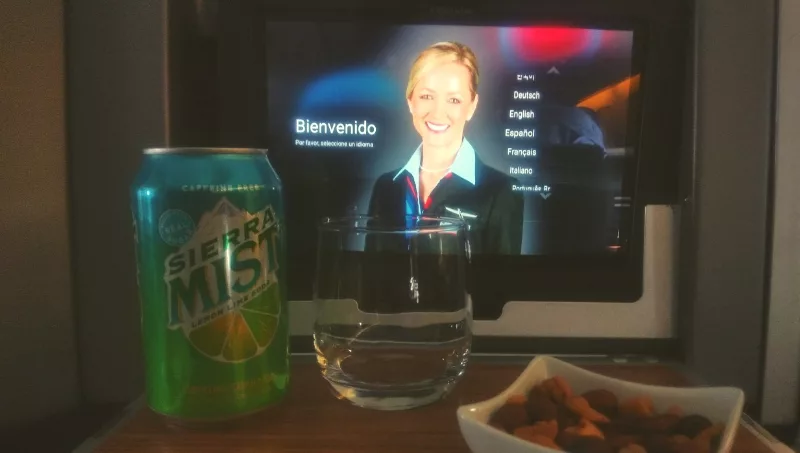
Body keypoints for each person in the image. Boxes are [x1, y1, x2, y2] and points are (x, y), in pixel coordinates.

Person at [367, 41, 523, 255]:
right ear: (410, 101)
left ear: (472, 106)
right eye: (426, 96)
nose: (438, 112)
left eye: (454, 100)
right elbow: (371, 270)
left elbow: (504, 276)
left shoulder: (501, 191)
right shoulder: (386, 186)